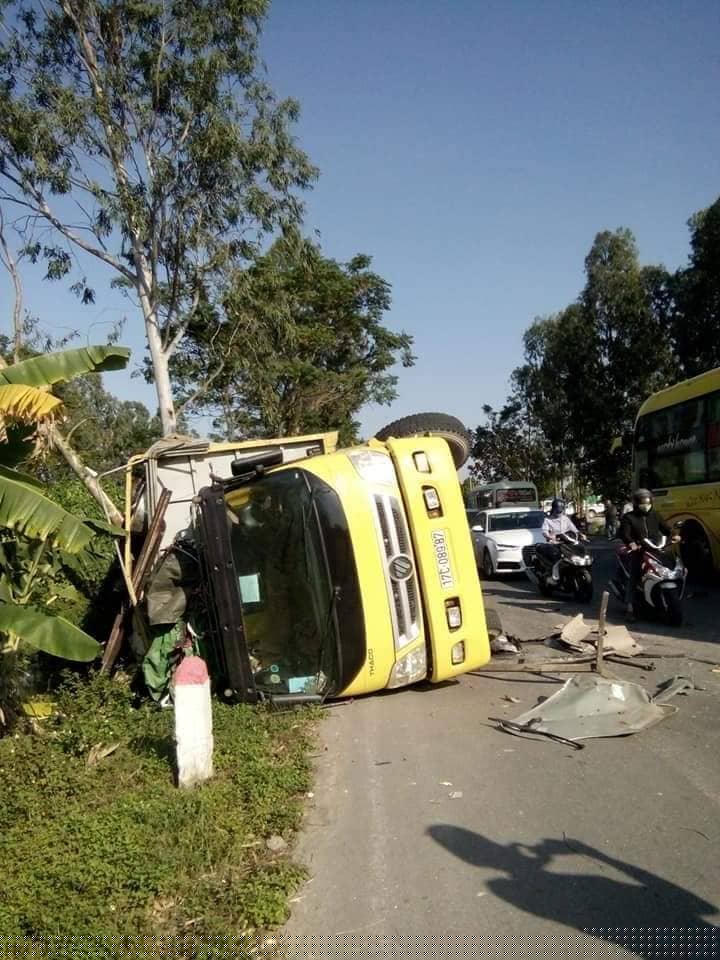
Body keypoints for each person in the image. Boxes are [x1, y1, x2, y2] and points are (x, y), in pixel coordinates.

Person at [619, 488, 679, 619]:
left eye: (648, 503)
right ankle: (630, 608)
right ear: (636, 503)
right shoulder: (629, 517)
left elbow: (666, 528)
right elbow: (624, 534)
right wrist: (631, 543)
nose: (646, 505)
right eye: (642, 503)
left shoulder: (655, 515)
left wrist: (674, 534)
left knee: (672, 566)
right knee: (634, 576)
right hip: (638, 551)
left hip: (655, 549)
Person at [536, 498, 585, 570]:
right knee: (556, 558)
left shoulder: (565, 518)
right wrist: (549, 537)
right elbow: (544, 531)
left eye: (561, 511)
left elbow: (573, 529)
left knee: (578, 552)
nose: (559, 513)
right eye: (557, 511)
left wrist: (581, 534)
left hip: (567, 543)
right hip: (554, 544)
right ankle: (554, 574)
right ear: (553, 509)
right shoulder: (547, 520)